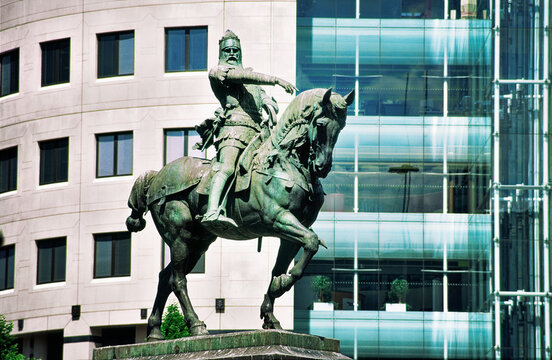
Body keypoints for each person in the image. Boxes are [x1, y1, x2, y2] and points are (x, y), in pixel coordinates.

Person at [201, 30, 296, 227]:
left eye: (236, 50)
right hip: (233, 132)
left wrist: (270, 105)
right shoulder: (219, 72)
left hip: (258, 135)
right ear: (221, 53)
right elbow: (242, 76)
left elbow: (264, 97)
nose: (232, 54)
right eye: (227, 50)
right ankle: (211, 211)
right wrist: (276, 80)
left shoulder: (252, 82)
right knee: (227, 168)